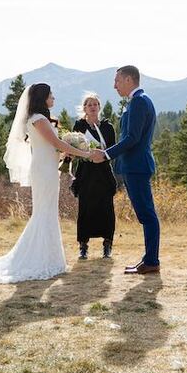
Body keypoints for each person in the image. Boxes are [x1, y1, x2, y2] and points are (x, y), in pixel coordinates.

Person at [0, 83, 93, 283]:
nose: (54, 98)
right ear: (43, 98)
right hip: (44, 171)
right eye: (51, 95)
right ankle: (40, 260)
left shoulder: (39, 119)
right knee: (43, 213)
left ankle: (50, 259)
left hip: (48, 168)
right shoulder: (38, 119)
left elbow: (52, 149)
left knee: (47, 212)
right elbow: (56, 144)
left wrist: (66, 155)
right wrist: (84, 153)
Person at [90, 65, 160, 274]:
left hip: (137, 166)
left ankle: (152, 261)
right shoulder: (138, 101)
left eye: (117, 81)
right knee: (145, 215)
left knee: (147, 215)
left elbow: (132, 138)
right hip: (134, 166)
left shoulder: (139, 101)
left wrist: (105, 154)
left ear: (129, 80)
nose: (114, 85)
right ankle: (149, 259)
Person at [71, 92, 117, 259]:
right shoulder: (79, 126)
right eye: (89, 104)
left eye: (95, 104)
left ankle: (107, 245)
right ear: (84, 108)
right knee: (85, 209)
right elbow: (73, 149)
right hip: (86, 173)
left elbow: (113, 149)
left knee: (106, 209)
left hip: (103, 173)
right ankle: (83, 246)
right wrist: (87, 154)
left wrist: (101, 155)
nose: (92, 107)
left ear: (99, 107)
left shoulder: (107, 127)